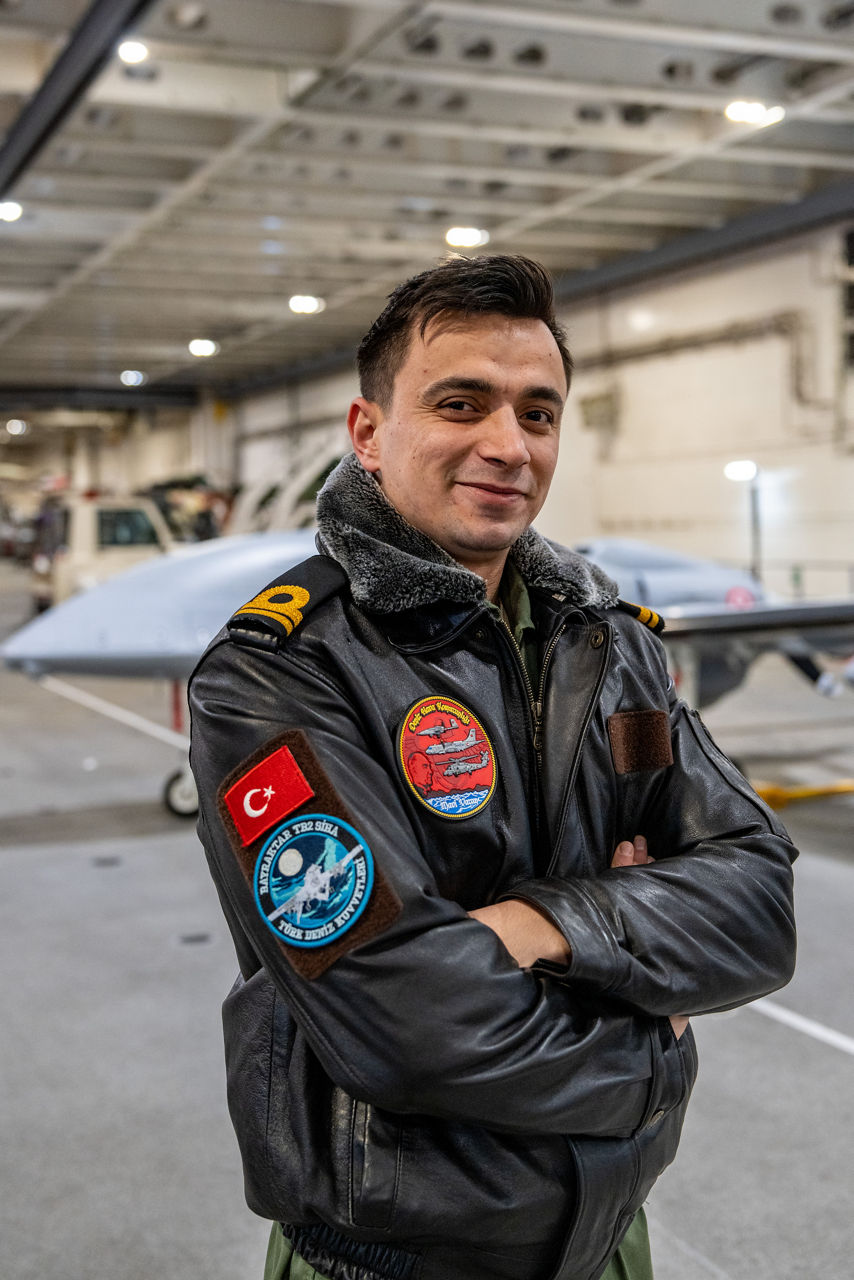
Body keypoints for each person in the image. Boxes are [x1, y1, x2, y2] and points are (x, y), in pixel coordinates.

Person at [188, 255, 796, 1280]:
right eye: (459, 402)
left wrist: (541, 921)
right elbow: (405, 1020)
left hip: (605, 1239)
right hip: (389, 1256)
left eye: (538, 412)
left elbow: (757, 898)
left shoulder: (607, 646)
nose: (506, 445)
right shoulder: (282, 672)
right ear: (368, 432)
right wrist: (650, 1022)